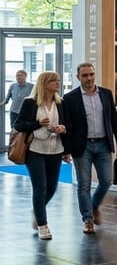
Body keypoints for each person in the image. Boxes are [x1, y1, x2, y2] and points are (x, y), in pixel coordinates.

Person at [61, 62, 117, 235]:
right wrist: (66, 150)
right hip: (82, 147)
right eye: (84, 75)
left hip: (104, 144)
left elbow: (113, 118)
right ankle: (88, 219)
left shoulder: (105, 93)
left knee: (106, 181)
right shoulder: (70, 98)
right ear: (78, 77)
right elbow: (67, 126)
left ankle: (94, 206)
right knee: (84, 185)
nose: (89, 78)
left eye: (91, 74)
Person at [15, 72, 69, 240]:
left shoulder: (61, 103)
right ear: (45, 83)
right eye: (54, 81)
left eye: (58, 80)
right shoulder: (30, 103)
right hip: (35, 150)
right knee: (40, 187)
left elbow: (67, 123)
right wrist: (38, 124)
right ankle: (43, 225)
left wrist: (63, 128)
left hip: (56, 150)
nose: (58, 83)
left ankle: (37, 210)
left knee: (52, 188)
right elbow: (18, 124)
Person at [5, 68, 32, 133]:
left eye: (20, 75)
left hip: (25, 112)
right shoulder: (12, 86)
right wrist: (3, 103)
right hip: (14, 111)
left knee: (24, 130)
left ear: (25, 76)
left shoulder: (31, 86)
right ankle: (14, 142)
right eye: (17, 76)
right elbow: (7, 99)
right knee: (13, 130)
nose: (18, 77)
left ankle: (22, 143)